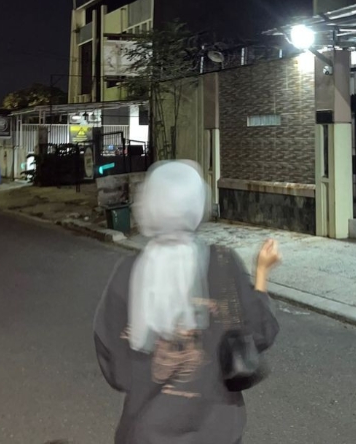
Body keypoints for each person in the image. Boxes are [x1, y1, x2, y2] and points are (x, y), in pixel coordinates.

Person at [94, 160, 280, 444]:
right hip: (217, 434)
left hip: (145, 434)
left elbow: (115, 369)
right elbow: (260, 333)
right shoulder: (223, 263)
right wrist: (262, 273)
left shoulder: (127, 273)